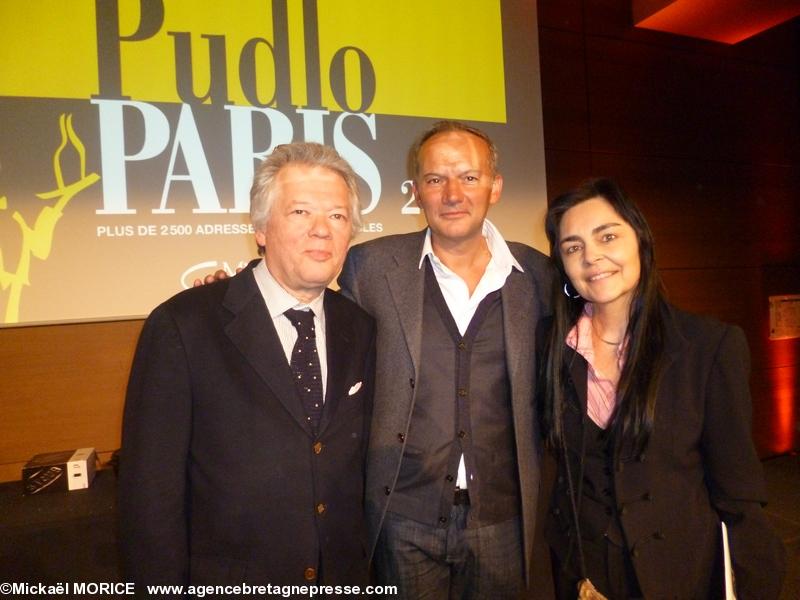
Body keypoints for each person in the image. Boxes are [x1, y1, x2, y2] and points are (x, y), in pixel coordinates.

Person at [119, 142, 376, 590]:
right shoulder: (183, 327)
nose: (322, 231)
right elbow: (150, 498)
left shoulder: (361, 327)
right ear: (260, 227)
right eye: (300, 213)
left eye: (337, 216)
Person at [538, 178, 786, 599]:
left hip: (679, 575)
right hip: (584, 579)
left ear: (641, 241)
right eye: (572, 247)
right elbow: (558, 477)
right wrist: (575, 571)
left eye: (608, 237)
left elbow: (737, 491)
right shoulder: (549, 348)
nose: (592, 257)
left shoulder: (707, 347)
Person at [338, 121, 552, 598]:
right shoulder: (369, 267)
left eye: (469, 177)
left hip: (503, 518)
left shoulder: (537, 274)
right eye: (436, 180)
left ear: (495, 186)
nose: (453, 193)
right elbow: (308, 303)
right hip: (403, 516)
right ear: (417, 192)